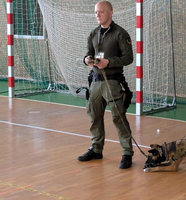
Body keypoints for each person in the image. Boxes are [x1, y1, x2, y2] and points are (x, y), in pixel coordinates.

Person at [77, 1, 134, 169]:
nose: (97, 15)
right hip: (95, 81)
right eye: (96, 12)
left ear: (110, 13)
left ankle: (127, 153)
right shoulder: (93, 33)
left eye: (101, 12)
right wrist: (86, 59)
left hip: (113, 82)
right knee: (94, 116)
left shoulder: (120, 34)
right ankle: (96, 149)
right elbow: (88, 53)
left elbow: (128, 57)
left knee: (118, 117)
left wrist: (108, 62)